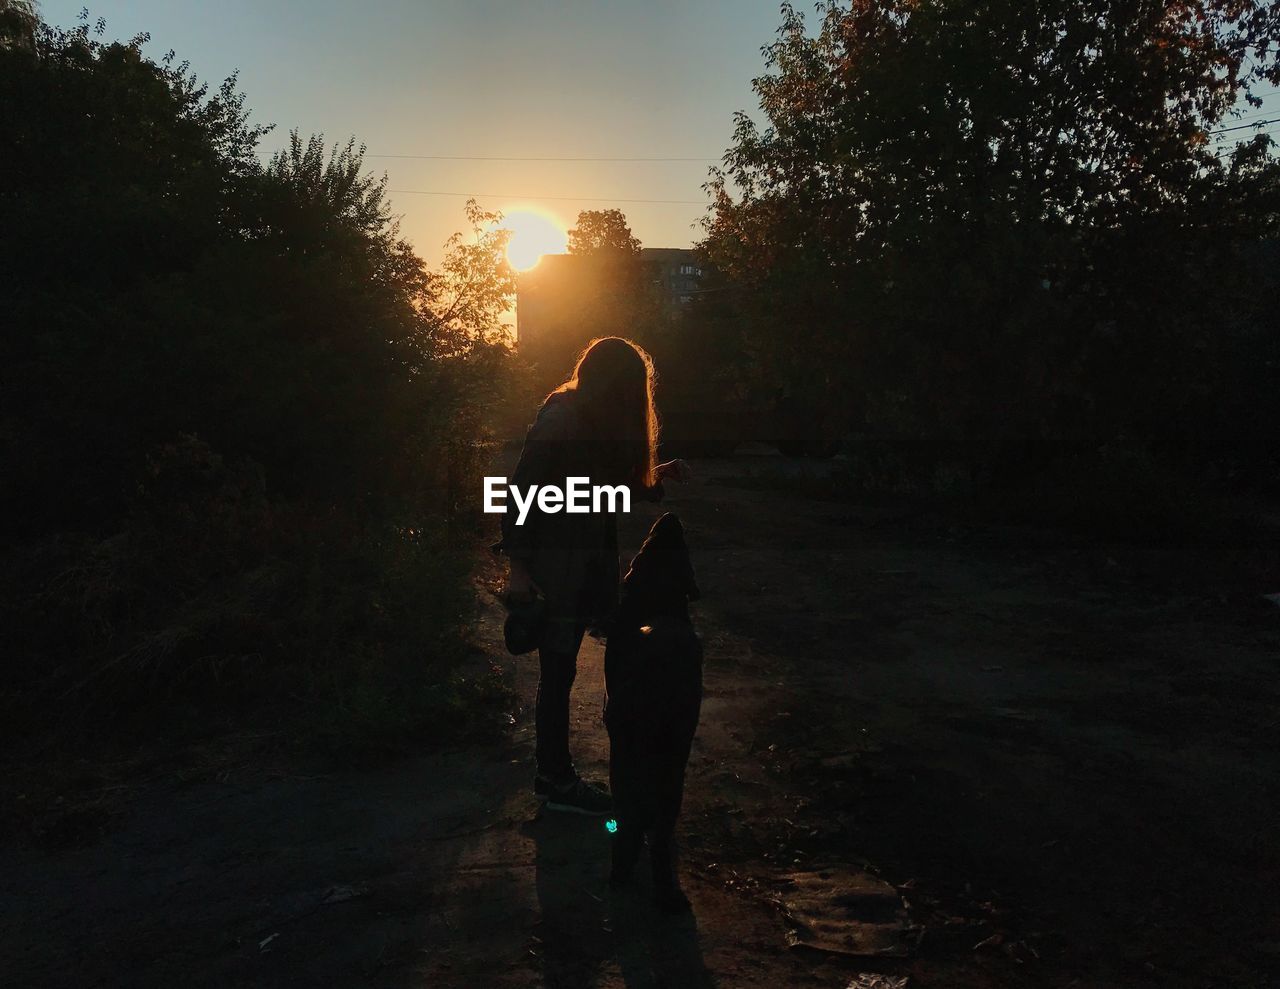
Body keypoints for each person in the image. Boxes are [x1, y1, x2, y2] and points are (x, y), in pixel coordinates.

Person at [497, 337, 690, 815]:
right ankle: (555, 782)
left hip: (580, 564)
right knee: (558, 675)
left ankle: (557, 778)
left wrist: (656, 475)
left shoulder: (588, 419)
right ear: (617, 384)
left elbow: (600, 487)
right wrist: (518, 570)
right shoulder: (561, 420)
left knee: (563, 673)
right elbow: (518, 492)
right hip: (556, 569)